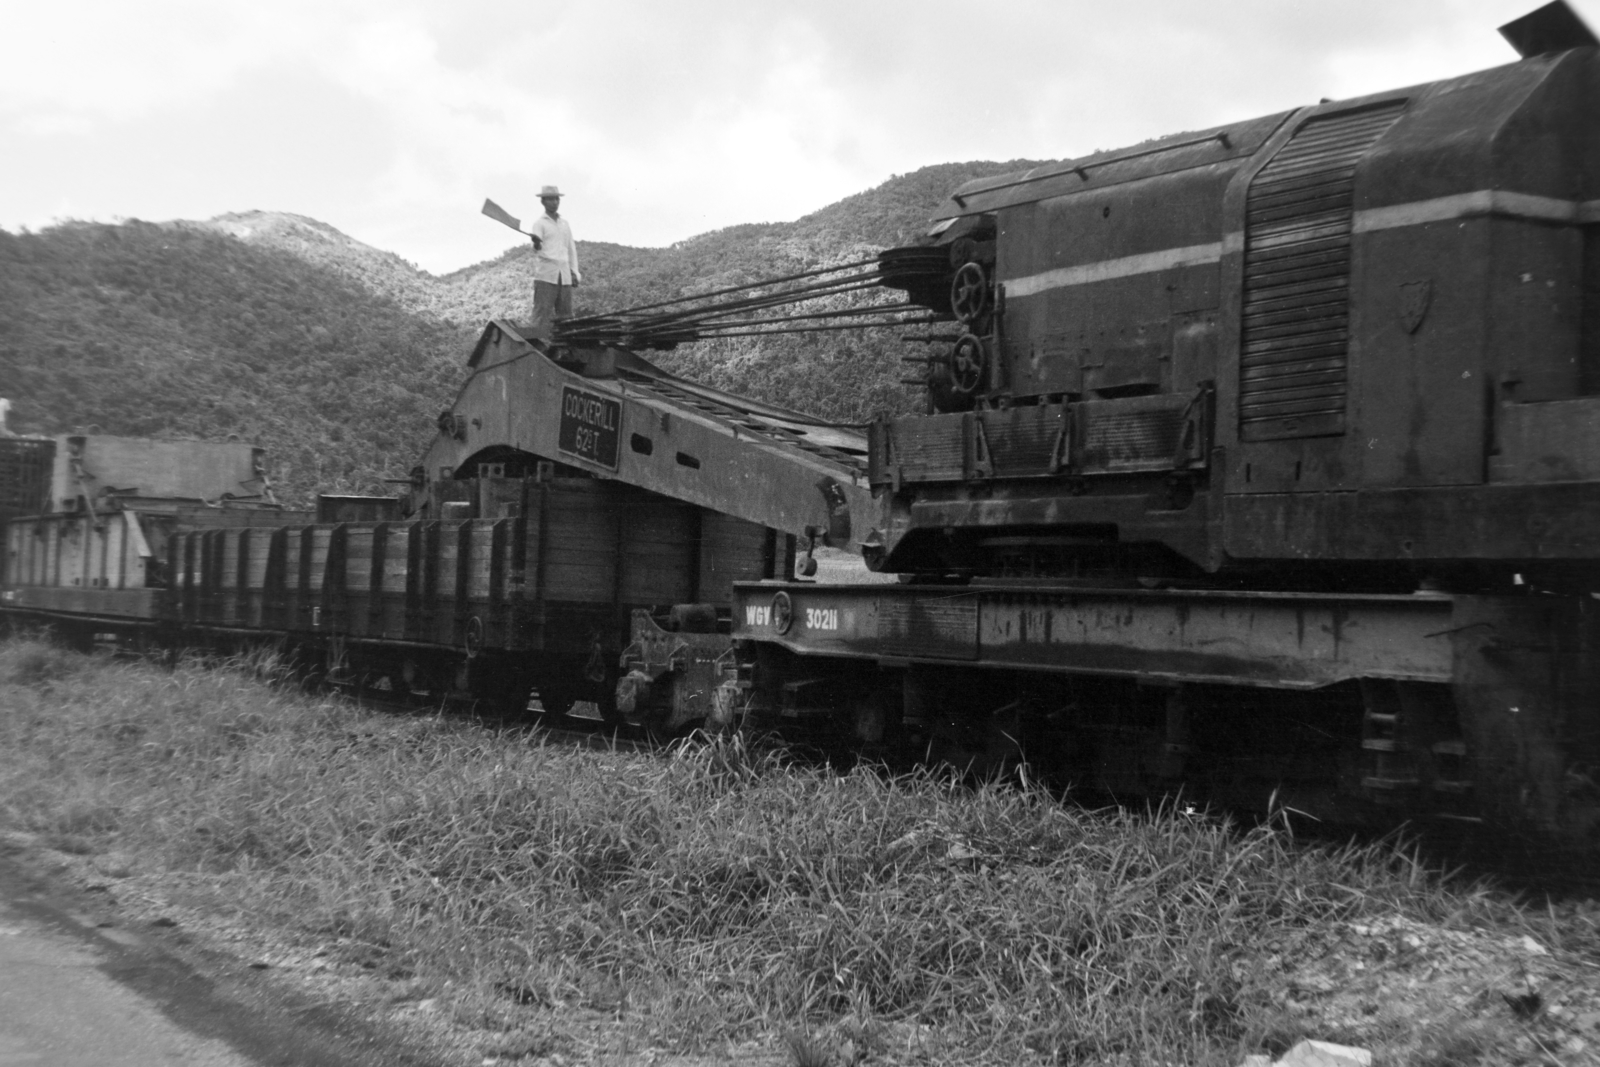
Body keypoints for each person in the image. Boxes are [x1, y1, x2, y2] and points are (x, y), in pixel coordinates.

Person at [527, 185, 580, 338]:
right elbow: (537, 248)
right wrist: (536, 242)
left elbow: (571, 248)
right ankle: (534, 345)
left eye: (556, 199)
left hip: (564, 275)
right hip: (546, 274)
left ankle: (566, 350)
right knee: (541, 313)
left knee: (566, 316)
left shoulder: (565, 224)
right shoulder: (540, 223)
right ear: (543, 202)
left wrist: (575, 271)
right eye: (550, 199)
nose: (554, 202)